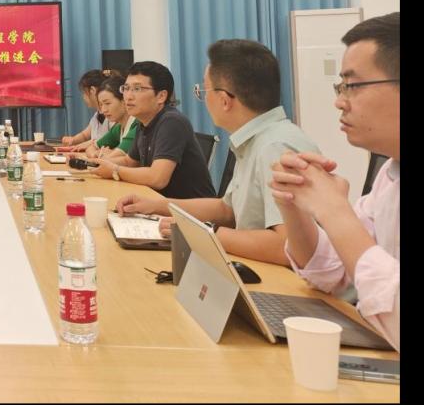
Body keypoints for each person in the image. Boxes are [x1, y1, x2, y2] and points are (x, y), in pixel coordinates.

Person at [115, 40, 318, 265]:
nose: (203, 99)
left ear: (224, 100)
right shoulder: (256, 140)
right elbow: (227, 210)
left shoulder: (275, 147)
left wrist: (203, 232)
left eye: (203, 91)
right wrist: (156, 206)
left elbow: (289, 248)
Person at [270, 12, 399, 350]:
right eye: (340, 87)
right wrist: (295, 208)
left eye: (352, 86)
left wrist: (334, 212)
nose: (339, 102)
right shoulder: (391, 174)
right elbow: (333, 275)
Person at [93, 61, 215, 199]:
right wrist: (95, 164)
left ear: (161, 96)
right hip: (160, 203)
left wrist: (115, 170)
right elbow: (129, 162)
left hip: (188, 210)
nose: (128, 96)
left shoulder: (172, 121)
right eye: (126, 88)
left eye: (137, 89)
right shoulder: (143, 122)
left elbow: (158, 178)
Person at [75, 75, 136, 160]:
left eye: (107, 103)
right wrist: (96, 154)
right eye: (101, 105)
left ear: (124, 100)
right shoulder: (118, 128)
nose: (103, 110)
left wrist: (104, 155)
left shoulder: (137, 124)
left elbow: (116, 157)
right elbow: (91, 148)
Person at [60, 69, 113, 149]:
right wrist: (73, 140)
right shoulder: (97, 115)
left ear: (92, 91)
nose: (83, 97)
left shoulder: (112, 115)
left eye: (84, 93)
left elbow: (107, 140)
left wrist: (88, 144)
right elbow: (85, 135)